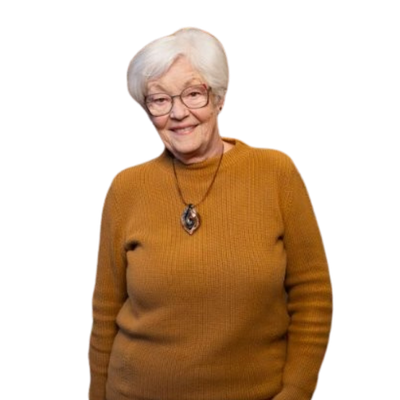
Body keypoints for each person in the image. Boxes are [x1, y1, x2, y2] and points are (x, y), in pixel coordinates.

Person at [88, 26, 334, 400]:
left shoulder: (276, 173)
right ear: (147, 111)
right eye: (159, 100)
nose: (178, 113)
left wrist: (296, 391)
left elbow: (313, 295)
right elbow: (105, 311)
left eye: (193, 94)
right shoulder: (126, 187)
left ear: (218, 98)